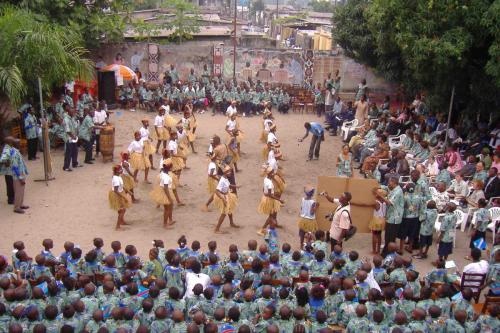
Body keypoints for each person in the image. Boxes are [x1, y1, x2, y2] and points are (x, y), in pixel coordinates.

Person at [379, 177, 404, 255]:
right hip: (391, 216)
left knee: (390, 237)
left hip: (394, 218)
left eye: (389, 182)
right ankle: (387, 251)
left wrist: (379, 195)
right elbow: (386, 187)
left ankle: (387, 253)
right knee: (388, 236)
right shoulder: (393, 189)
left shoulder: (398, 191)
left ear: (394, 182)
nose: (388, 184)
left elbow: (389, 202)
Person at [257, 166, 284, 236]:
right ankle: (262, 229)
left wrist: (265, 193)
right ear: (269, 174)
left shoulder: (266, 179)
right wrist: (279, 200)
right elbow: (270, 195)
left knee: (274, 212)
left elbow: (263, 189)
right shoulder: (269, 183)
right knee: (271, 216)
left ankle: (274, 223)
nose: (274, 174)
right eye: (272, 173)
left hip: (268, 197)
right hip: (270, 199)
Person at [213, 166, 240, 233]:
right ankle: (216, 229)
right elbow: (216, 191)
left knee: (229, 209)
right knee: (224, 213)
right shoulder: (222, 180)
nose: (230, 173)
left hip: (227, 195)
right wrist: (223, 199)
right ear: (225, 173)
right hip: (223, 196)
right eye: (228, 172)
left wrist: (236, 186)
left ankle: (231, 223)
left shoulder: (226, 178)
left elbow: (228, 185)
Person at [149, 160, 175, 229]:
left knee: (168, 208)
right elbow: (165, 188)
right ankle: (165, 224)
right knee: (167, 209)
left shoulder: (162, 173)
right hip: (166, 192)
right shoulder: (166, 177)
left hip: (163, 190)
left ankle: (169, 221)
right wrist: (169, 198)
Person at [108, 164, 131, 230]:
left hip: (119, 193)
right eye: (120, 169)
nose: (121, 170)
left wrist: (127, 190)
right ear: (117, 171)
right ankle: (117, 226)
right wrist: (124, 197)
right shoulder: (116, 179)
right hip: (117, 194)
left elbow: (121, 185)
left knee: (121, 209)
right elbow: (116, 190)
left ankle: (121, 221)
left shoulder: (118, 176)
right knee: (122, 210)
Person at [369, 189, 387, 254]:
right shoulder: (384, 202)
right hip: (382, 219)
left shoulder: (376, 203)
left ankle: (374, 250)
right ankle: (378, 250)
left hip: (376, 220)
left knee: (374, 235)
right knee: (379, 235)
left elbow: (367, 204)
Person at [62, 107, 80, 171]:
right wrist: (73, 136)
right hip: (69, 138)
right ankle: (66, 167)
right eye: (72, 112)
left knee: (75, 151)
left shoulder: (73, 118)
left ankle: (74, 163)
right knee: (68, 152)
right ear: (69, 112)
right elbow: (67, 130)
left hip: (73, 137)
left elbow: (75, 126)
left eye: (74, 112)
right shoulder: (66, 119)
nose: (73, 113)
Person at [0, 137, 15, 205]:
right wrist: (7, 162)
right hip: (8, 171)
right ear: (9, 143)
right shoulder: (6, 149)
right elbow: (2, 159)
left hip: (11, 170)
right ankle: (10, 199)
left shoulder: (9, 148)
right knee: (10, 184)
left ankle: (12, 197)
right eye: (12, 141)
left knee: (12, 184)